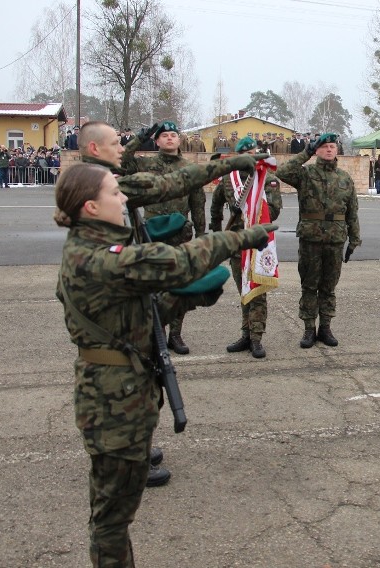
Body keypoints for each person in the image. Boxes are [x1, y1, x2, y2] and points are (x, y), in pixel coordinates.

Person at [54, 161, 275, 568]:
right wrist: (242, 237)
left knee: (116, 516)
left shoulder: (89, 247)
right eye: (113, 193)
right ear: (90, 207)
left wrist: (182, 301)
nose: (123, 198)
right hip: (113, 405)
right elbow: (177, 262)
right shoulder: (99, 257)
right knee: (111, 521)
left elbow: (125, 318)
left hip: (119, 393)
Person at [78, 120, 262, 487]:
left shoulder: (100, 182)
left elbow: (179, 184)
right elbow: (164, 188)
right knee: (128, 378)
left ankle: (136, 448)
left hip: (134, 274)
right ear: (96, 149)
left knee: (144, 368)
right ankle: (127, 462)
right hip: (118, 304)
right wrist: (230, 241)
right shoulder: (98, 186)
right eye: (116, 142)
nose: (123, 146)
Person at [121, 121, 208, 356]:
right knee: (153, 285)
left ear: (179, 140)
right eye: (164, 136)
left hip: (180, 233)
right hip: (152, 233)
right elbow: (122, 161)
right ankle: (156, 333)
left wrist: (202, 237)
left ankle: (176, 335)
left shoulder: (189, 168)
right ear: (157, 141)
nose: (170, 139)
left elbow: (198, 204)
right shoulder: (146, 163)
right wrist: (140, 138)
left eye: (173, 135)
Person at [277, 132, 360, 348]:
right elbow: (283, 172)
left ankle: (325, 327)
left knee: (328, 286)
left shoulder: (344, 179)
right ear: (317, 151)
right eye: (324, 147)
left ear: (337, 150)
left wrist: (354, 239)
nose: (329, 150)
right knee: (309, 285)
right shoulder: (305, 175)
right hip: (310, 239)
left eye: (332, 146)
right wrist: (306, 151)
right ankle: (308, 330)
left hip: (335, 239)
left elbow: (352, 212)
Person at [210, 136, 282, 359]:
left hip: (258, 243)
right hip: (236, 243)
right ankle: (246, 334)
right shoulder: (228, 180)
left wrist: (253, 205)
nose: (250, 155)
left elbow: (275, 210)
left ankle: (257, 338)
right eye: (246, 152)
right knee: (244, 290)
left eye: (253, 151)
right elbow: (214, 209)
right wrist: (218, 233)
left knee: (258, 291)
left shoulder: (267, 179)